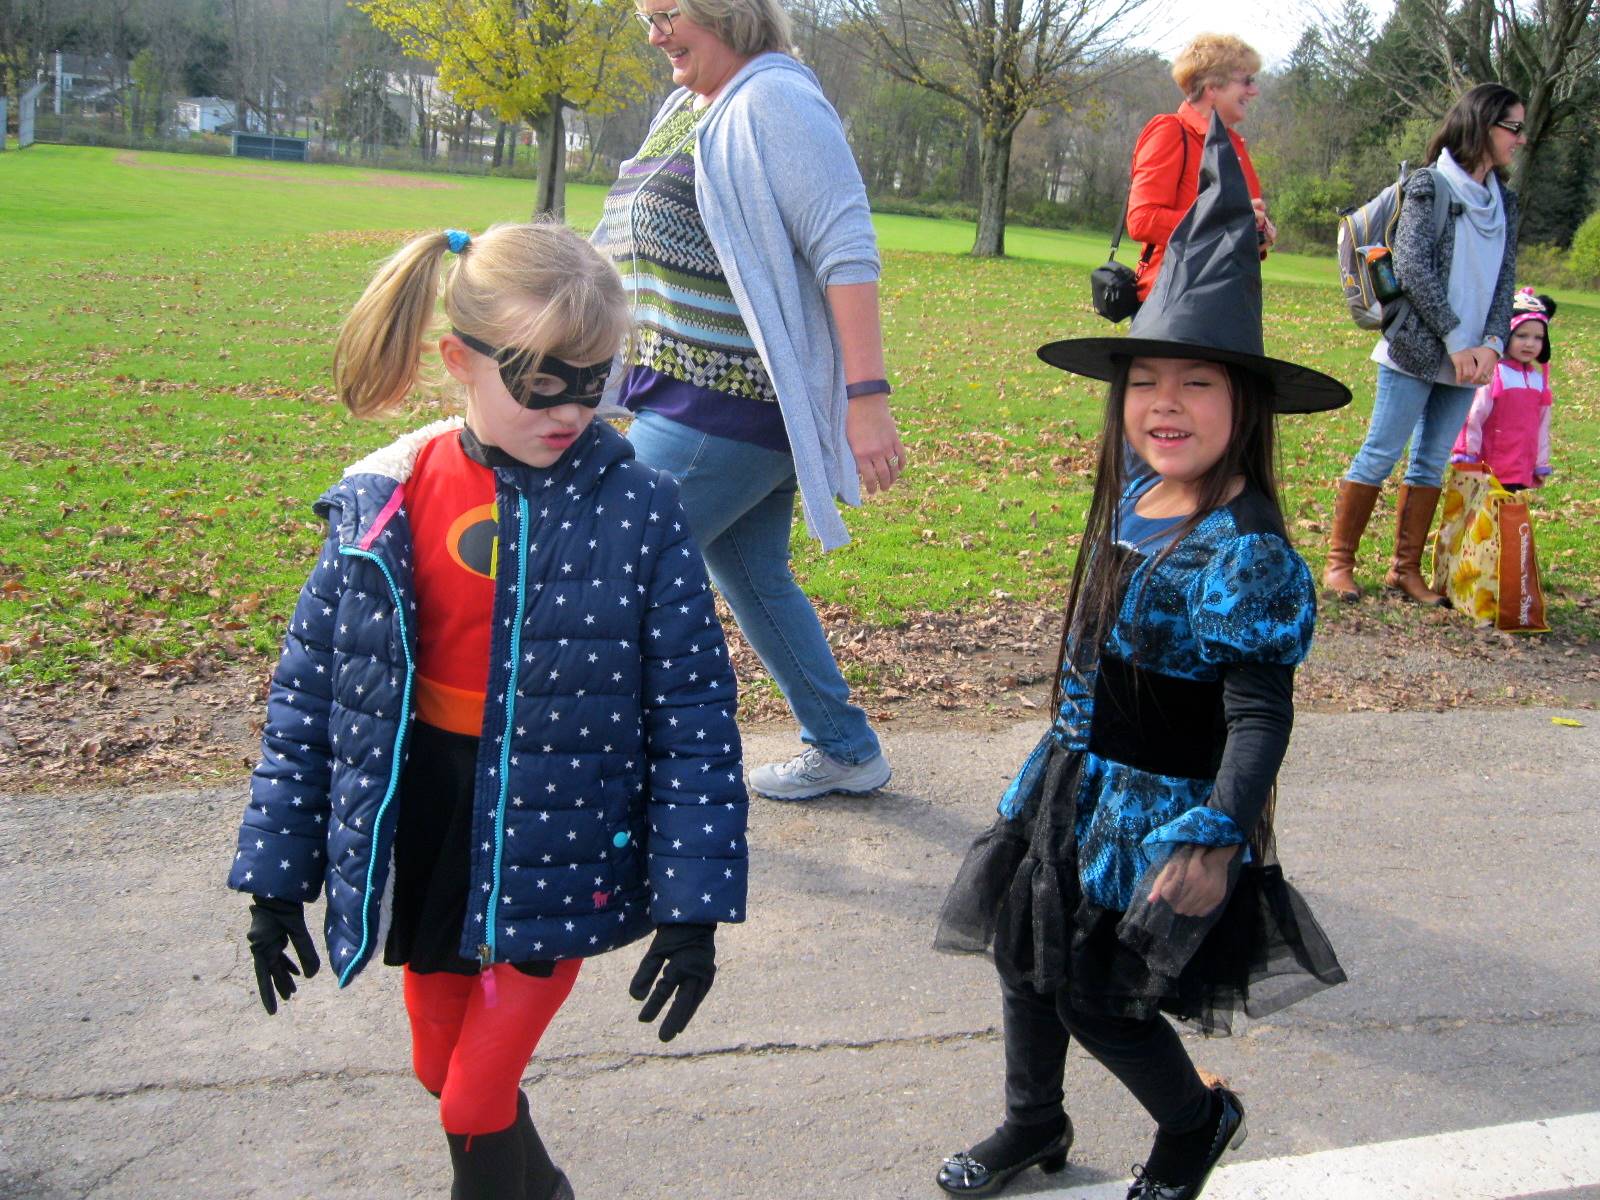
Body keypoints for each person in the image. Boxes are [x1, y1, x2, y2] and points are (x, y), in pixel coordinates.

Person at [226, 222, 749, 1200]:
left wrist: (693, 907)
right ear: (458, 361)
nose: (571, 408)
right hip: (434, 827)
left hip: (557, 842)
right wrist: (274, 884)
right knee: (442, 1072)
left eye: (593, 380)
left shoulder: (638, 507)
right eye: (540, 379)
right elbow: (308, 705)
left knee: (472, 1100)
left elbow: (693, 716)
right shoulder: (385, 500)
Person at [933, 115, 1347, 1200]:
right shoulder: (1134, 498)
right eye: (1145, 381)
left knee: (1096, 996)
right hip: (1070, 782)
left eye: (1198, 384)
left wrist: (1216, 834)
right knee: (1024, 956)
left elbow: (1259, 716)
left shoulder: (1247, 552)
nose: (1165, 404)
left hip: (1157, 809)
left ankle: (1195, 1119)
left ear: (1245, 405)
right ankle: (1034, 1123)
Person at [592, 0, 906, 802]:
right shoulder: (684, 107)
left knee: (602, 568)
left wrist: (865, 397)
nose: (654, 33)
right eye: (645, 17)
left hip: (726, 406)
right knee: (752, 571)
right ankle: (844, 747)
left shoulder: (776, 99)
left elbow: (845, 245)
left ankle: (594, 769)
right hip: (680, 393)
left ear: (726, 11)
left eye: (668, 14)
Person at [1323, 82, 1524, 605]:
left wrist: (1494, 344)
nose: (1520, 140)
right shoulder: (1429, 186)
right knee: (1380, 453)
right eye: (1513, 128)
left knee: (1430, 462)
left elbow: (1505, 279)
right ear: (1483, 126)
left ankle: (1404, 570)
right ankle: (1339, 563)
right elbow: (1412, 267)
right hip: (1416, 346)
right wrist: (1458, 340)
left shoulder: (1506, 201)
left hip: (1472, 355)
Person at [1126, 34, 1275, 304]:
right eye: (1246, 81)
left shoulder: (1235, 147)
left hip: (1229, 302)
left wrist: (1259, 233)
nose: (1254, 91)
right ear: (1212, 87)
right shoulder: (1171, 132)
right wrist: (1225, 223)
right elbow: (1142, 220)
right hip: (1173, 304)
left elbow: (1236, 229)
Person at [1450, 288, 1556, 491]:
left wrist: (1540, 464)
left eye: (1538, 338)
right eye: (1522, 335)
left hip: (1519, 468)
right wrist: (1467, 452)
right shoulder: (1495, 374)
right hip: (1487, 467)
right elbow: (1473, 415)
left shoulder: (1538, 381)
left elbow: (1542, 425)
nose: (1530, 344)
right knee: (1481, 520)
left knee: (1507, 519)